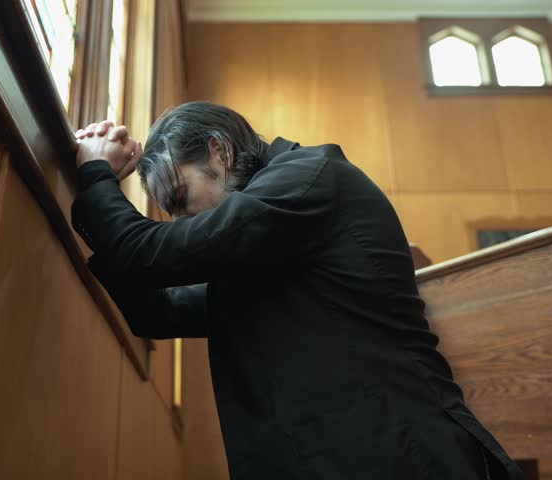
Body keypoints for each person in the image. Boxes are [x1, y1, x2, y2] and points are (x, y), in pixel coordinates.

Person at [71, 101, 524, 480]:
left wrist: (96, 175)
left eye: (182, 200)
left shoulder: (307, 180)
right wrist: (103, 198)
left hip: (399, 454)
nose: (186, 224)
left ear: (219, 151)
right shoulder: (260, 250)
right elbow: (159, 313)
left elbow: (149, 252)